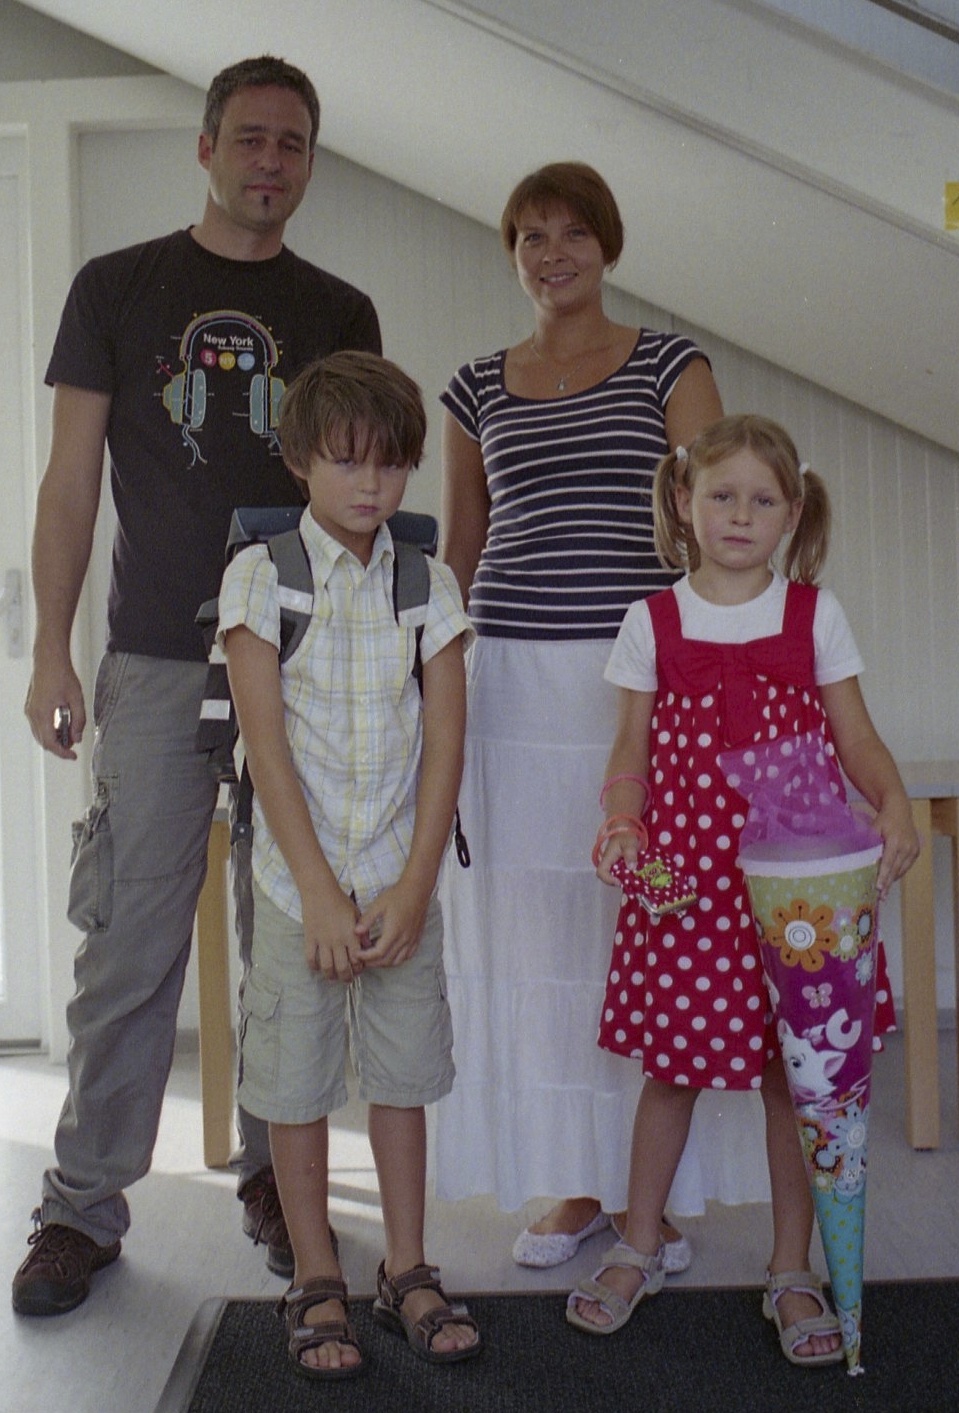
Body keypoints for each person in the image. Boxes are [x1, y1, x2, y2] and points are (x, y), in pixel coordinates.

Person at [14, 55, 381, 1317]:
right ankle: (80, 1210)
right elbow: (70, 482)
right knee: (129, 943)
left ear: (308, 162)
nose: (270, 161)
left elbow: (360, 496)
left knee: (289, 943)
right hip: (157, 665)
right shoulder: (115, 288)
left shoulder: (339, 308)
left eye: (293, 144)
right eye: (251, 138)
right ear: (208, 147)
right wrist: (51, 647)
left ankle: (279, 1183)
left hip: (305, 668)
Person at [435, 160, 764, 1269]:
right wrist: (433, 678)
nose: (552, 254)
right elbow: (462, 547)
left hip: (638, 685)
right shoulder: (473, 386)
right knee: (541, 935)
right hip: (508, 686)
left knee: (642, 927)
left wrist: (716, 680)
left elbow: (715, 527)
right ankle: (576, 1183)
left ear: (606, 245)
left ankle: (648, 1198)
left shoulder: (672, 364)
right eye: (530, 236)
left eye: (572, 233)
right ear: (511, 255)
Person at [566, 414, 919, 1363]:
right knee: (671, 1070)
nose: (738, 514)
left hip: (800, 891)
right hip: (685, 887)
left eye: (762, 500)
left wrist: (892, 804)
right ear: (683, 500)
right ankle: (639, 1242)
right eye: (720, 495)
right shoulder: (651, 619)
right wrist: (622, 819)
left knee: (794, 1079)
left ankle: (790, 1267)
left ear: (791, 514)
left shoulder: (814, 614)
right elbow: (628, 748)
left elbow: (856, 736)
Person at [219, 350, 480, 1378]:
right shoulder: (261, 576)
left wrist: (414, 888)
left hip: (398, 881)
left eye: (389, 464)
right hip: (300, 890)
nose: (369, 485)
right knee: (294, 1087)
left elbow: (446, 743)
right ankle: (317, 1273)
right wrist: (321, 897)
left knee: (401, 1081)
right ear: (299, 462)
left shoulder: (427, 582)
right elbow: (265, 749)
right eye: (344, 461)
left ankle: (406, 1266)